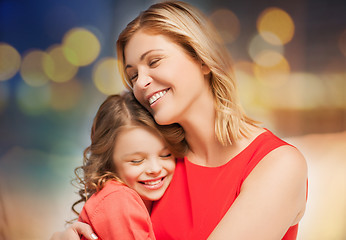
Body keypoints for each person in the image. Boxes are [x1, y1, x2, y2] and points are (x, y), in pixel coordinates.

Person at [51, 1, 308, 239]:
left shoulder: (278, 165)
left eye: (154, 61)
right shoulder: (160, 166)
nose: (140, 83)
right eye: (133, 76)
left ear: (202, 59)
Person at [52, 91, 187, 240]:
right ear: (109, 162)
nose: (155, 169)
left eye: (165, 155)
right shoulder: (119, 201)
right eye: (137, 160)